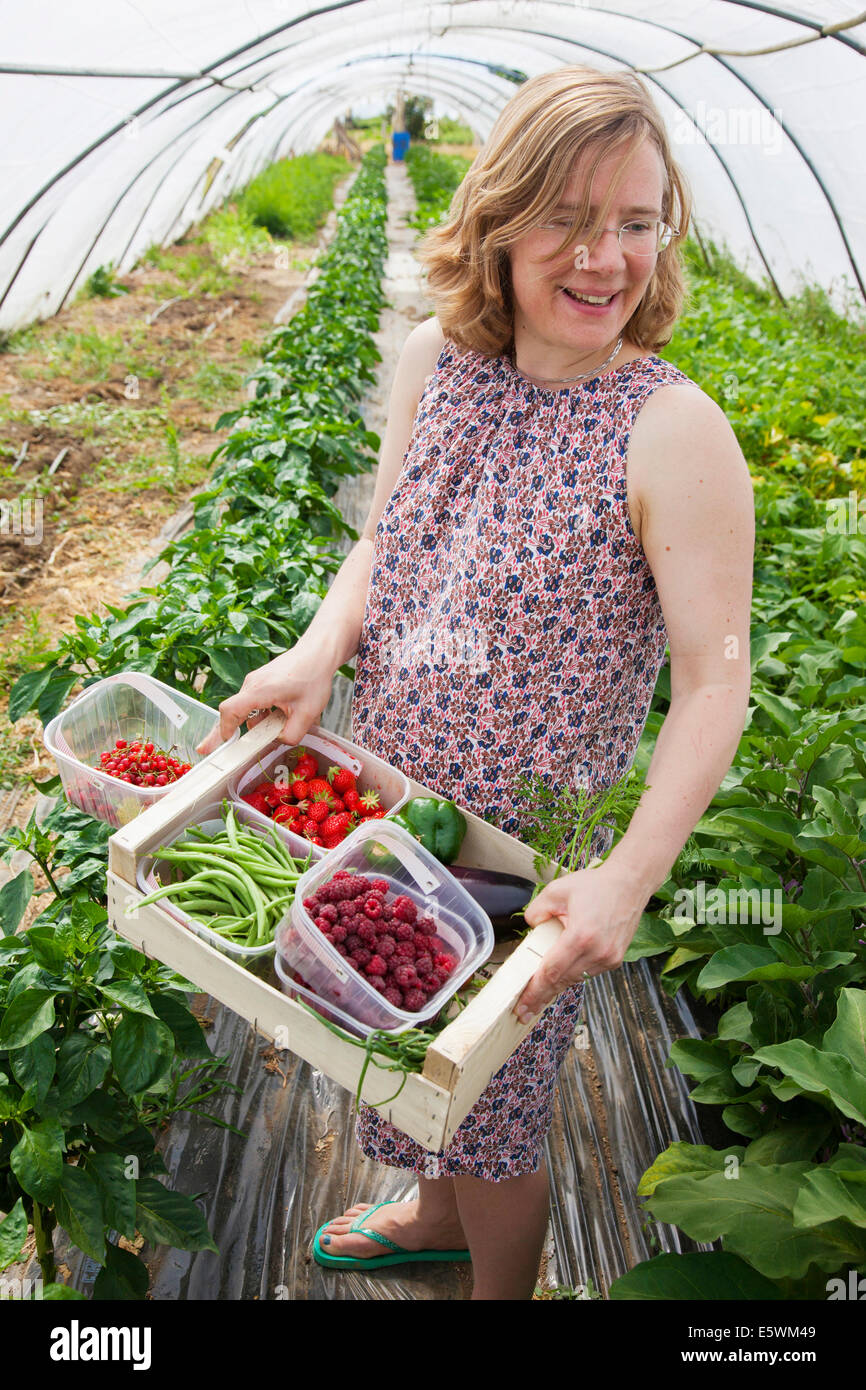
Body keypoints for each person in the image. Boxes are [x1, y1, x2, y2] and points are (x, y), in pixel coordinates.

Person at [197, 65, 754, 1300]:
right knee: (392, 1034)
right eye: (567, 215)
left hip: (522, 856)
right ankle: (430, 1214)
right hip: (392, 789)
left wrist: (624, 877)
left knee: (490, 1103)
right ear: (501, 219)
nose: (604, 255)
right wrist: (315, 651)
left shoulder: (669, 431)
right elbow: (385, 538)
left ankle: (497, 1283)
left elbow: (716, 684)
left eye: (636, 220)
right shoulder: (437, 357)